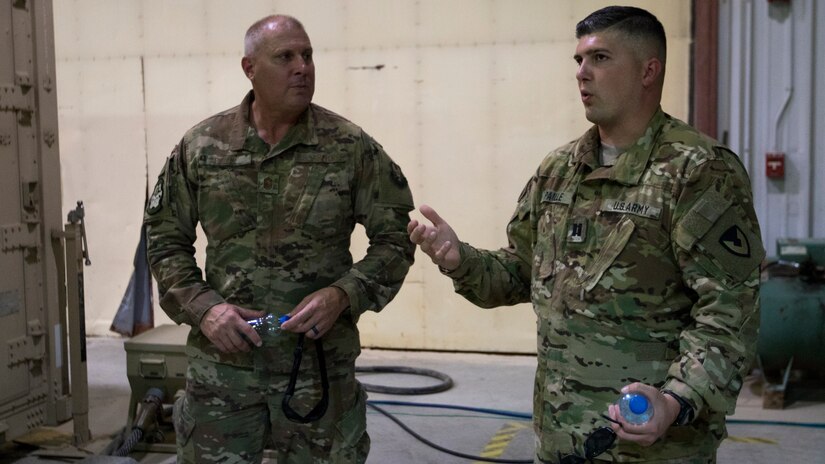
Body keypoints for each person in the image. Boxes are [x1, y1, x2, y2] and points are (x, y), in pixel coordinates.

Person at [409, 6, 763, 463]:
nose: (582, 73)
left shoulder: (696, 171)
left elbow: (730, 312)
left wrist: (675, 401)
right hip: (560, 443)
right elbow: (520, 272)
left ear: (648, 71)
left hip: (653, 447)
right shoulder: (559, 170)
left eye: (600, 58)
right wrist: (461, 260)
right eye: (579, 60)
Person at [144, 14, 415, 464]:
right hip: (225, 373)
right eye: (285, 57)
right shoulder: (203, 147)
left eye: (307, 55)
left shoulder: (349, 148)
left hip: (317, 371)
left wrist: (343, 294)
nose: (302, 67)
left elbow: (396, 240)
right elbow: (164, 239)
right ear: (249, 68)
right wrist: (205, 308)